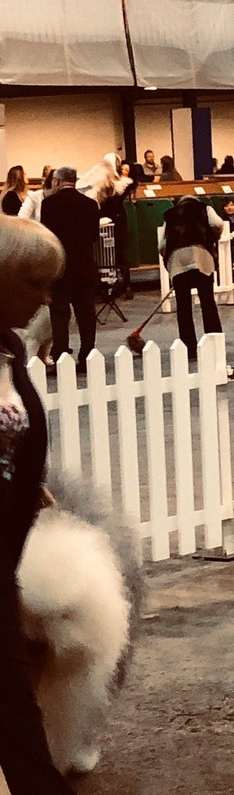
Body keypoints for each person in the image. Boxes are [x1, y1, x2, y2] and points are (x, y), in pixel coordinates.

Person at [0, 217, 80, 795]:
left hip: (4, 552)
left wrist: (26, 481)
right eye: (32, 283)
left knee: (11, 689)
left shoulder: (8, 349)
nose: (43, 299)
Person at [40, 166, 99, 371]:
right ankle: (87, 356)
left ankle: (61, 356)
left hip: (61, 268)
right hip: (84, 267)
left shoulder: (49, 204)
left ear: (57, 181)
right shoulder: (91, 205)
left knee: (60, 315)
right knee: (86, 315)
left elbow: (47, 238)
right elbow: (94, 236)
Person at [160, 196, 224, 360]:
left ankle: (190, 349)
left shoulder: (170, 214)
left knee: (183, 306)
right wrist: (213, 237)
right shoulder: (205, 208)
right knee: (207, 301)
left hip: (178, 260)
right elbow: (217, 224)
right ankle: (214, 342)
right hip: (201, 256)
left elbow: (162, 245)